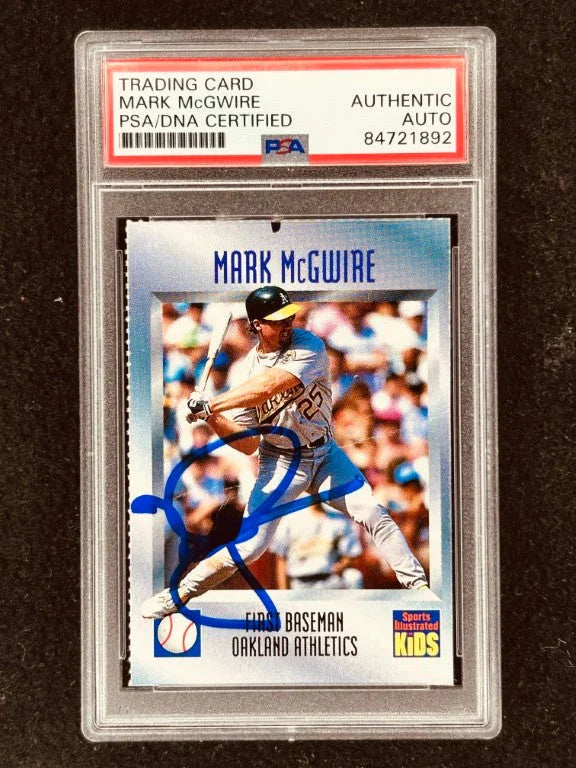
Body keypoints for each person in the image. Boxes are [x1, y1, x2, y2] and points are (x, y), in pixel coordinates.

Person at [142, 286, 430, 618]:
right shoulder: (244, 371)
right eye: (276, 320)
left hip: (324, 454)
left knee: (372, 511)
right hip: (280, 462)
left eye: (287, 317)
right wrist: (212, 417)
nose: (286, 324)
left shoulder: (308, 344)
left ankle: (419, 589)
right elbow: (248, 444)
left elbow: (272, 384)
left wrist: (213, 403)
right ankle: (179, 595)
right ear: (255, 325)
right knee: (249, 548)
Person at [271, 502, 364, 590]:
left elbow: (351, 553)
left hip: (330, 581)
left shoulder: (339, 519)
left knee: (353, 576)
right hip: (299, 583)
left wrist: (341, 566)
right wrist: (284, 591)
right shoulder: (290, 519)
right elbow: (281, 559)